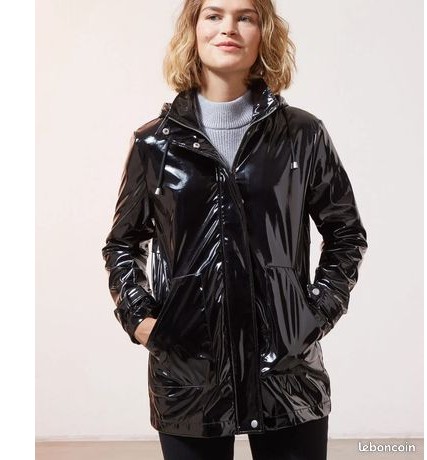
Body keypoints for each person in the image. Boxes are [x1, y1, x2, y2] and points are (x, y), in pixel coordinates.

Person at [101, 0, 368, 458]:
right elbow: (122, 244)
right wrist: (141, 320)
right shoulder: (154, 144)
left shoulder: (302, 135)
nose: (229, 28)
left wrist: (312, 316)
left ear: (264, 33)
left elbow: (345, 233)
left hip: (287, 376)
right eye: (214, 14)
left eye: (246, 17)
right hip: (189, 374)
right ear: (193, 28)